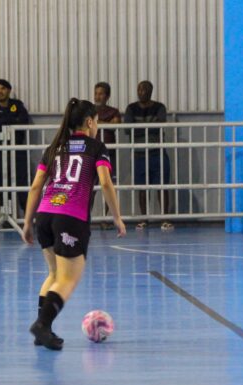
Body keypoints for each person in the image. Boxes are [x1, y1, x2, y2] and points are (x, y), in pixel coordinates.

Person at [23, 98, 126, 350]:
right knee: (69, 280)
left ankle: (41, 329)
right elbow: (105, 183)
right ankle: (42, 325)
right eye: (97, 121)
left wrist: (27, 223)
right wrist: (117, 217)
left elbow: (36, 186)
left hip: (45, 215)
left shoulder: (54, 147)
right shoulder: (96, 147)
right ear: (90, 122)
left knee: (54, 275)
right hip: (70, 217)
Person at [124, 80, 173, 231]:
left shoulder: (159, 107)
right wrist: (148, 129)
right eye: (139, 89)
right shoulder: (131, 108)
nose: (141, 92)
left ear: (151, 91)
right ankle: (144, 218)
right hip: (139, 154)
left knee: (162, 186)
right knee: (142, 187)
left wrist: (139, 128)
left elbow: (160, 125)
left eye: (145, 90)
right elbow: (128, 129)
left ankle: (164, 218)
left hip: (157, 152)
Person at [0, 79, 30, 213]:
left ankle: (27, 214)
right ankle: (6, 215)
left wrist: (4, 120)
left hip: (17, 150)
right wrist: (13, 119)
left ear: (9, 91)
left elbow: (24, 122)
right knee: (3, 183)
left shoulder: (18, 105)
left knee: (22, 182)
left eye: (3, 88)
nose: (0, 92)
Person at [94, 82, 122, 230]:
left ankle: (105, 218)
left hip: (108, 153)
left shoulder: (113, 111)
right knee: (89, 187)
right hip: (91, 152)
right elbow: (85, 123)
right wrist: (105, 122)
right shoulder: (89, 110)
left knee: (107, 185)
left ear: (108, 96)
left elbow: (116, 124)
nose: (98, 96)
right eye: (96, 93)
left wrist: (97, 122)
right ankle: (85, 216)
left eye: (101, 93)